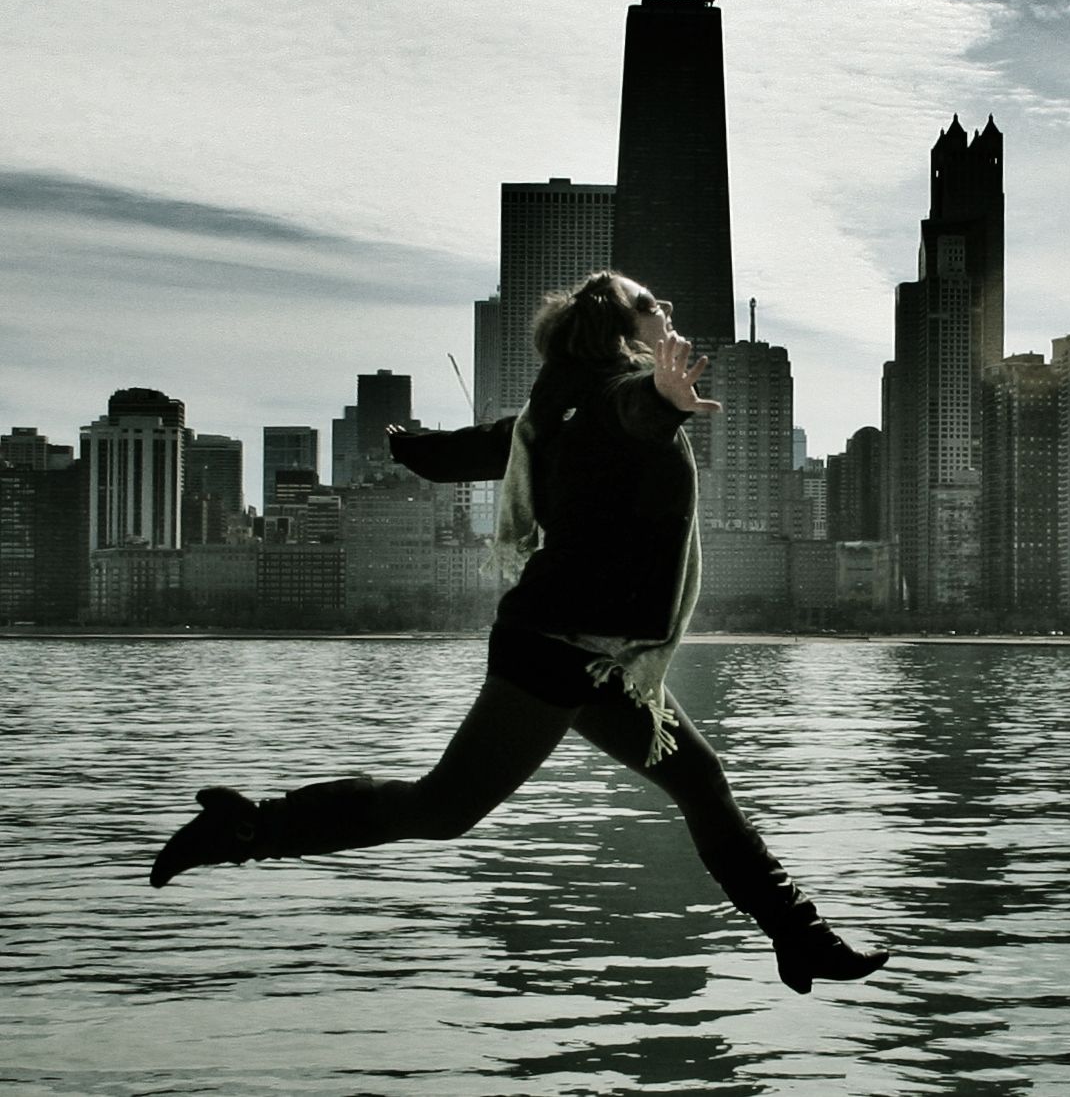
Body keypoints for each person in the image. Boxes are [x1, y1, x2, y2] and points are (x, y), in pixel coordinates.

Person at [150, 270, 888, 996]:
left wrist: (417, 448)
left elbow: (478, 449)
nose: (663, 307)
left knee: (698, 780)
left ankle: (800, 938)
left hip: (593, 658)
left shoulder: (549, 416)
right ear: (617, 328)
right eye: (646, 303)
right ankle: (250, 828)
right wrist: (661, 402)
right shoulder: (607, 399)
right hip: (558, 648)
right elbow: (627, 411)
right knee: (441, 810)